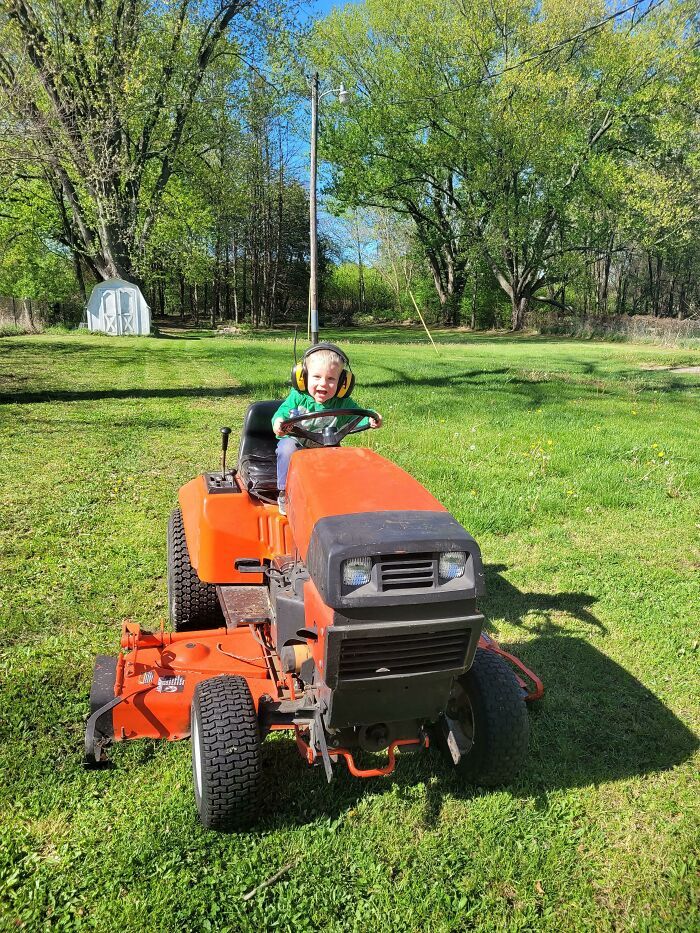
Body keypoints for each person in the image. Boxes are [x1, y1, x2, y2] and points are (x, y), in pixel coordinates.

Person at [272, 343, 382, 515]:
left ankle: (341, 499)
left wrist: (371, 418)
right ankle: (284, 493)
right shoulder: (298, 397)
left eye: (331, 379)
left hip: (328, 446)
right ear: (303, 378)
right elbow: (281, 414)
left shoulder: (343, 403)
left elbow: (358, 418)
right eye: (316, 377)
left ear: (343, 383)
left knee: (348, 461)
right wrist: (279, 423)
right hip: (297, 443)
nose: (323, 384)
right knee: (286, 448)